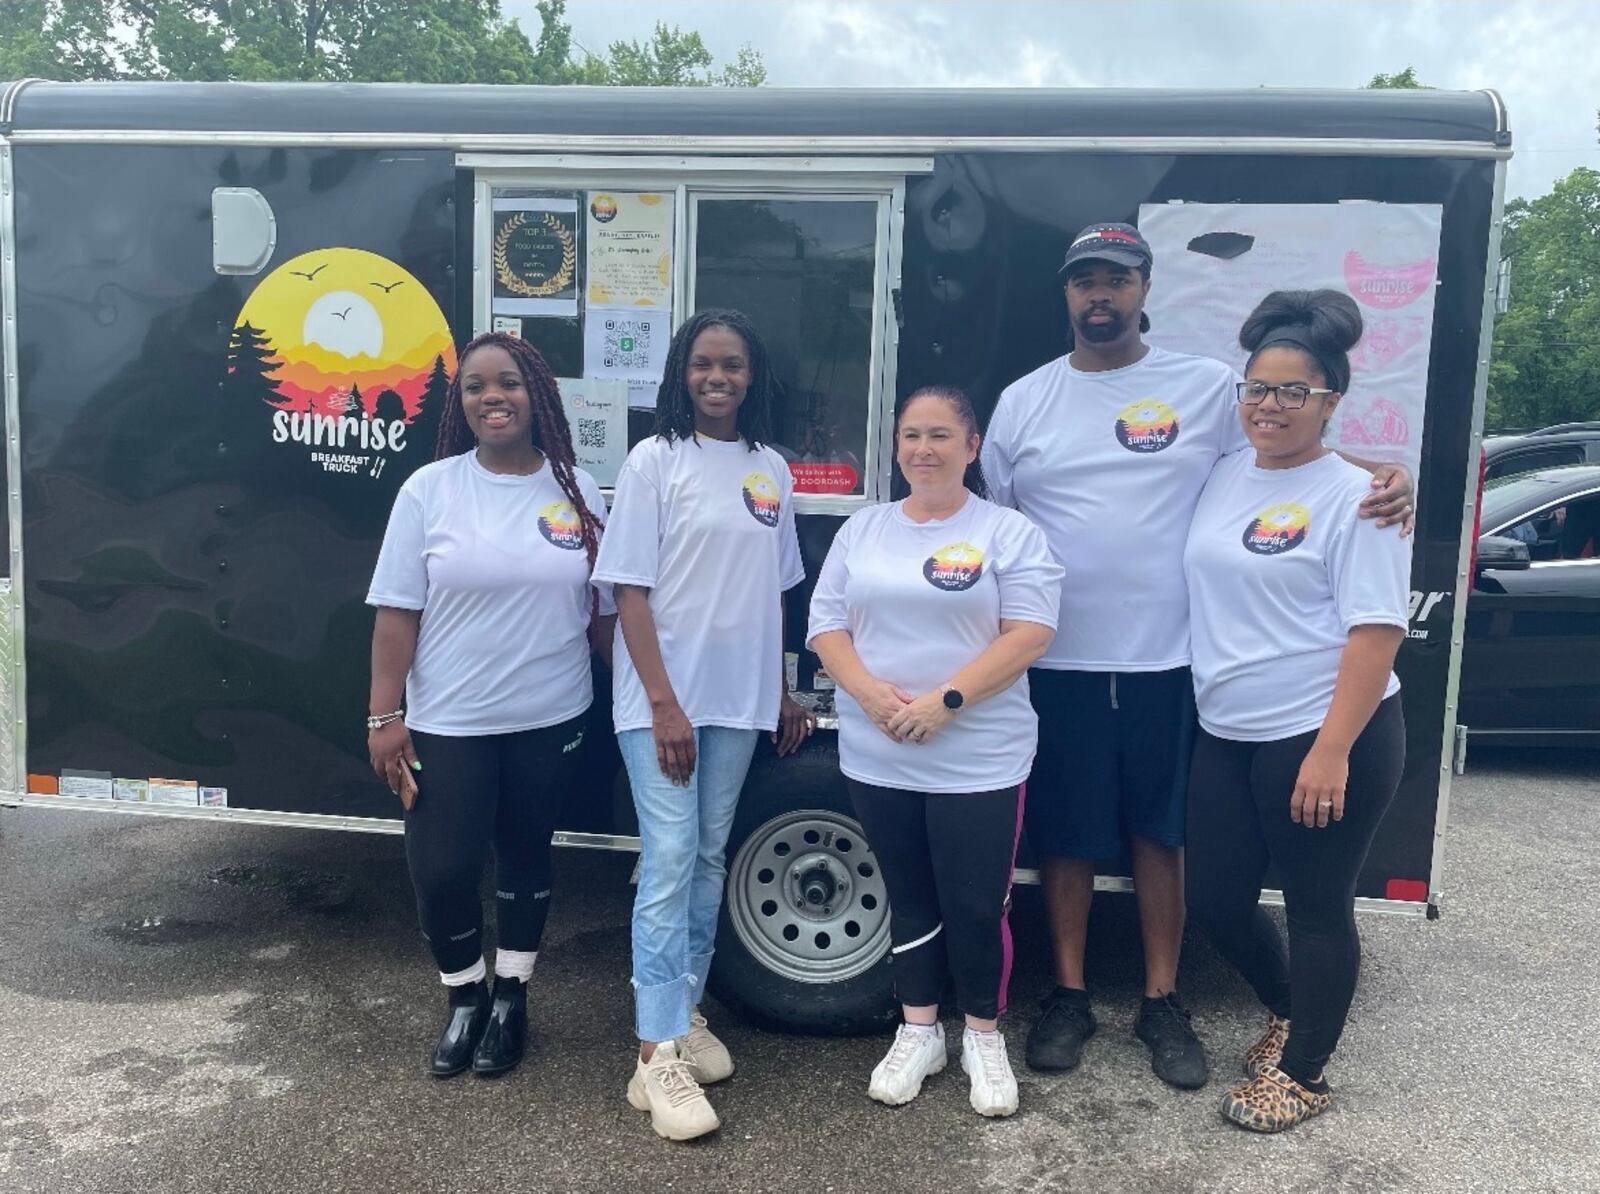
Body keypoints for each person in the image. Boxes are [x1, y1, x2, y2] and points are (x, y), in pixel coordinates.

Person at [980, 223, 1414, 1091]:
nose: (1100, 294)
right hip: (1057, 661)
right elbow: (991, 514)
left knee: (1159, 837)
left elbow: (1292, 454)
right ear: (1065, 295)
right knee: (1065, 838)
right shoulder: (1023, 401)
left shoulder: (1212, 386)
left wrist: (1390, 474)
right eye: (1084, 281)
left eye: (1118, 279)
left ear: (1146, 289)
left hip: (1174, 665)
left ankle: (1162, 1001)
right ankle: (1066, 996)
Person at [1183, 290, 1411, 1132]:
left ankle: (1306, 1074)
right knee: (1214, 898)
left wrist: (1331, 749)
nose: (1269, 406)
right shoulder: (1222, 471)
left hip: (1322, 731)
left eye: (1292, 392)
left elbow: (1377, 632)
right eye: (1257, 388)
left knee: (1318, 906)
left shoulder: (1362, 498)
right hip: (1227, 730)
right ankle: (1287, 1010)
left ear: (1331, 401)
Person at [809, 386, 1062, 1118]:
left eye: (941, 435)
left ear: (972, 445)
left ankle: (983, 1035)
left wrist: (943, 702)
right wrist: (869, 695)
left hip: (978, 753)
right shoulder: (864, 531)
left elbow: (1030, 633)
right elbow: (827, 626)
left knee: (976, 904)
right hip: (878, 748)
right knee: (909, 894)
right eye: (911, 435)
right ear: (896, 446)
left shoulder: (1009, 533)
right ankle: (920, 1029)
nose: (924, 449)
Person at [593, 309, 816, 1142]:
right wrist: (660, 702)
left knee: (711, 856)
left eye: (732, 365)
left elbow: (775, 592)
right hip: (663, 705)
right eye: (702, 364)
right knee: (671, 857)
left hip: (738, 701)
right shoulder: (655, 461)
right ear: (681, 374)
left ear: (753, 377)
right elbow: (629, 591)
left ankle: (683, 1013)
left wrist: (783, 691)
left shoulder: (773, 470)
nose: (717, 378)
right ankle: (654, 1057)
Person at [366, 331, 612, 1079]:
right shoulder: (430, 489)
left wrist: (659, 692)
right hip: (450, 722)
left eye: (507, 382)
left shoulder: (578, 487)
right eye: (475, 386)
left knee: (527, 859)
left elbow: (601, 613)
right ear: (462, 401)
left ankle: (513, 996)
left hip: (550, 715)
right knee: (441, 870)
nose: (491, 396)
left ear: (538, 393)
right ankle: (464, 997)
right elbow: (396, 613)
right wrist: (384, 716)